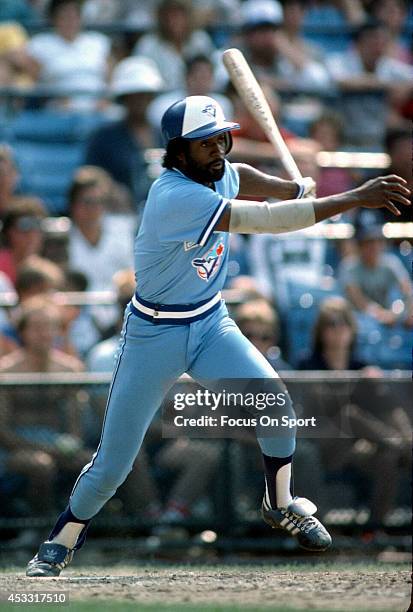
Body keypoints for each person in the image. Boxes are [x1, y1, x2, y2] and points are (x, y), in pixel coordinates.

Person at [25, 95, 410, 577]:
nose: (218, 150)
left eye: (221, 139)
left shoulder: (217, 170)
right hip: (153, 334)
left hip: (210, 322)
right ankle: (61, 539)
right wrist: (350, 197)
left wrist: (289, 186)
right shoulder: (174, 197)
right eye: (205, 144)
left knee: (274, 403)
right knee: (113, 465)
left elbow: (243, 176)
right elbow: (267, 221)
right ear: (177, 153)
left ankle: (280, 500)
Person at [84, 57, 165, 213]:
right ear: (123, 98)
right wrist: (110, 188)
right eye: (134, 95)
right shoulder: (104, 137)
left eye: (144, 94)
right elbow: (88, 174)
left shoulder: (166, 135)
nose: (140, 100)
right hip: (117, 216)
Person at [26, 0, 111, 110]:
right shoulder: (39, 44)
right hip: (58, 108)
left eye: (73, 16)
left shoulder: (98, 41)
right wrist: (54, 97)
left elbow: (111, 78)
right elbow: (34, 80)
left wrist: (106, 99)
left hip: (98, 105)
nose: (70, 21)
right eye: (64, 16)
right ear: (53, 18)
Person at [338, 210, 413, 327]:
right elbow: (360, 303)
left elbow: (407, 291)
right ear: (359, 244)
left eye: (377, 240)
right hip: (357, 326)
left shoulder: (391, 263)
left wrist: (401, 312)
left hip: (385, 323)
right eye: (368, 242)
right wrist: (384, 315)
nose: (374, 246)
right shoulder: (349, 267)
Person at [133, 0, 215, 92]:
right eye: (169, 16)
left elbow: (209, 72)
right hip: (160, 99)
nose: (174, 21)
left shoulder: (200, 40)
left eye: (179, 15)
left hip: (195, 97)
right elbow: (141, 81)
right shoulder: (148, 44)